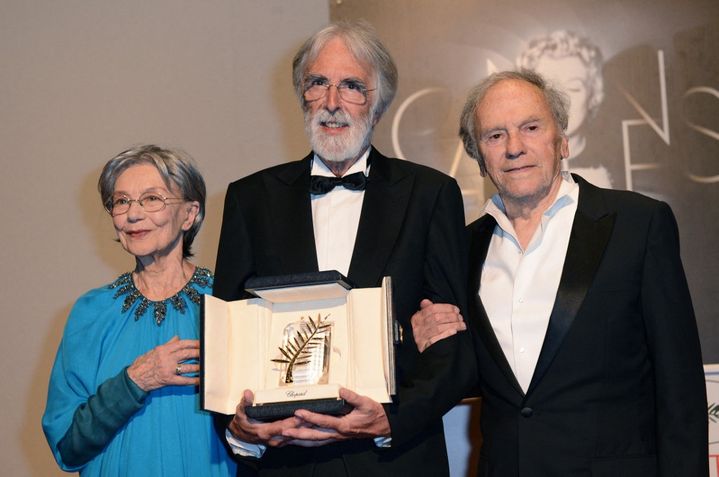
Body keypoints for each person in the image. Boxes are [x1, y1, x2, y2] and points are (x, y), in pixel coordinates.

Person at [412, 70, 708, 476]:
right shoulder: (461, 250)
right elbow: (474, 378)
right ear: (479, 157)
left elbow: (681, 390)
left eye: (531, 127)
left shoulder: (638, 224)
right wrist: (429, 342)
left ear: (562, 139)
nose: (514, 148)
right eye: (495, 136)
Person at [212, 20, 473, 477]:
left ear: (378, 104)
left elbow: (451, 347)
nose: (332, 103)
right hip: (285, 462)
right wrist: (238, 429)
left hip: (394, 459)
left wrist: (391, 419)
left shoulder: (431, 194)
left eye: (352, 86)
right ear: (301, 95)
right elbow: (228, 337)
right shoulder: (250, 199)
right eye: (318, 83)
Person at [42, 145, 236, 476]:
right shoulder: (91, 312)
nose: (133, 214)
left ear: (189, 214)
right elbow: (68, 448)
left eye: (151, 199)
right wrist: (136, 379)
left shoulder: (229, 303)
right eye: (121, 201)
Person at [518, 30, 614, 188]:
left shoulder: (614, 169)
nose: (561, 101)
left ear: (593, 95)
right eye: (548, 89)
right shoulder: (515, 164)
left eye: (574, 88)